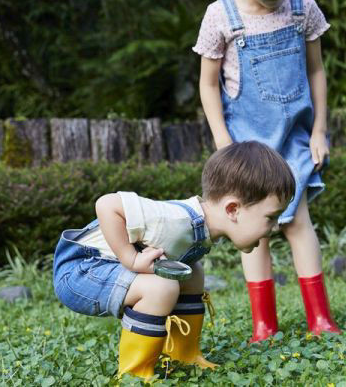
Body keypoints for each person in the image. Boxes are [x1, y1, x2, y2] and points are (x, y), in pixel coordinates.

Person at [194, 0, 341, 343]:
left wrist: (319, 130)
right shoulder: (223, 15)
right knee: (254, 233)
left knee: (298, 222)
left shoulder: (301, 8)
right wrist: (223, 141)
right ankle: (264, 323)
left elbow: (316, 70)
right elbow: (207, 84)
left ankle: (319, 317)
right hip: (246, 143)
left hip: (294, 137)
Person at [52, 141, 295, 380]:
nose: (275, 227)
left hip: (99, 269)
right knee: (162, 286)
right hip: (80, 270)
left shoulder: (203, 228)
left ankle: (183, 354)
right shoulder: (175, 221)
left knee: (192, 272)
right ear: (232, 210)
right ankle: (134, 375)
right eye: (271, 217)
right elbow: (107, 204)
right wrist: (132, 259)